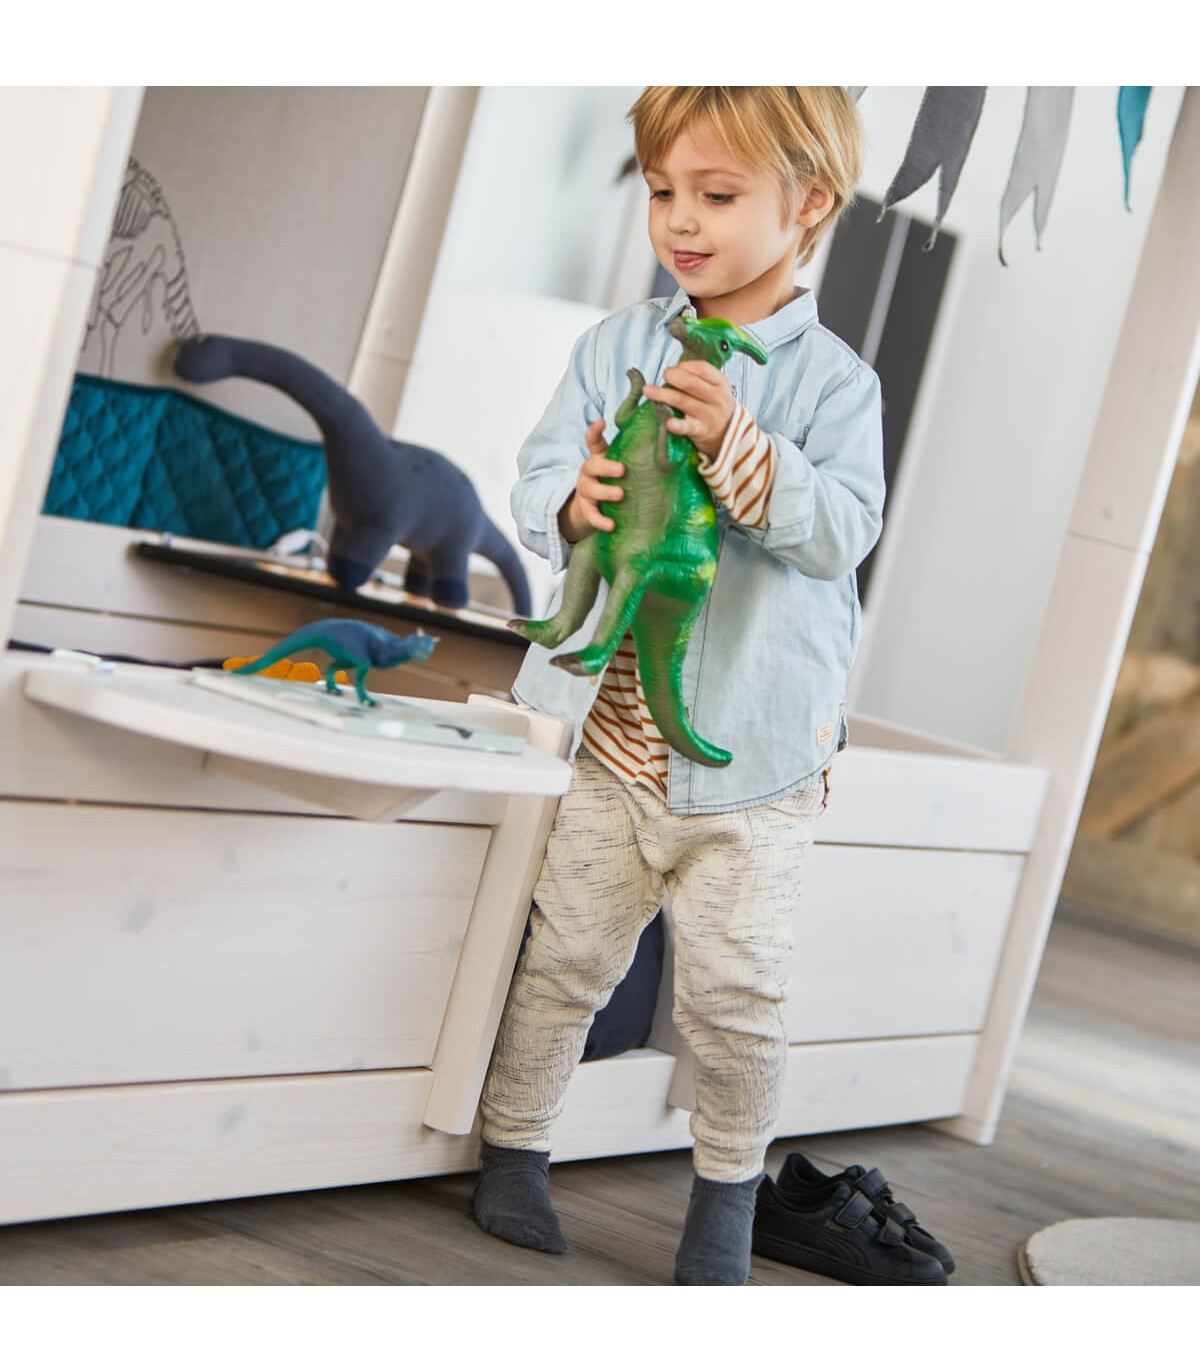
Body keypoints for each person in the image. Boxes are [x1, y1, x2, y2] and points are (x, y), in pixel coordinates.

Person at [472, 86, 885, 1285]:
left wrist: (746, 450)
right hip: (610, 738)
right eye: (663, 191)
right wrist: (569, 499)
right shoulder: (616, 346)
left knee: (738, 993)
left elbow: (842, 530)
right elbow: (540, 469)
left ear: (807, 204)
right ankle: (512, 1148)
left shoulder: (837, 384)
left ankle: (726, 1206)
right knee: (564, 958)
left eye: (716, 194)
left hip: (756, 756)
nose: (680, 221)